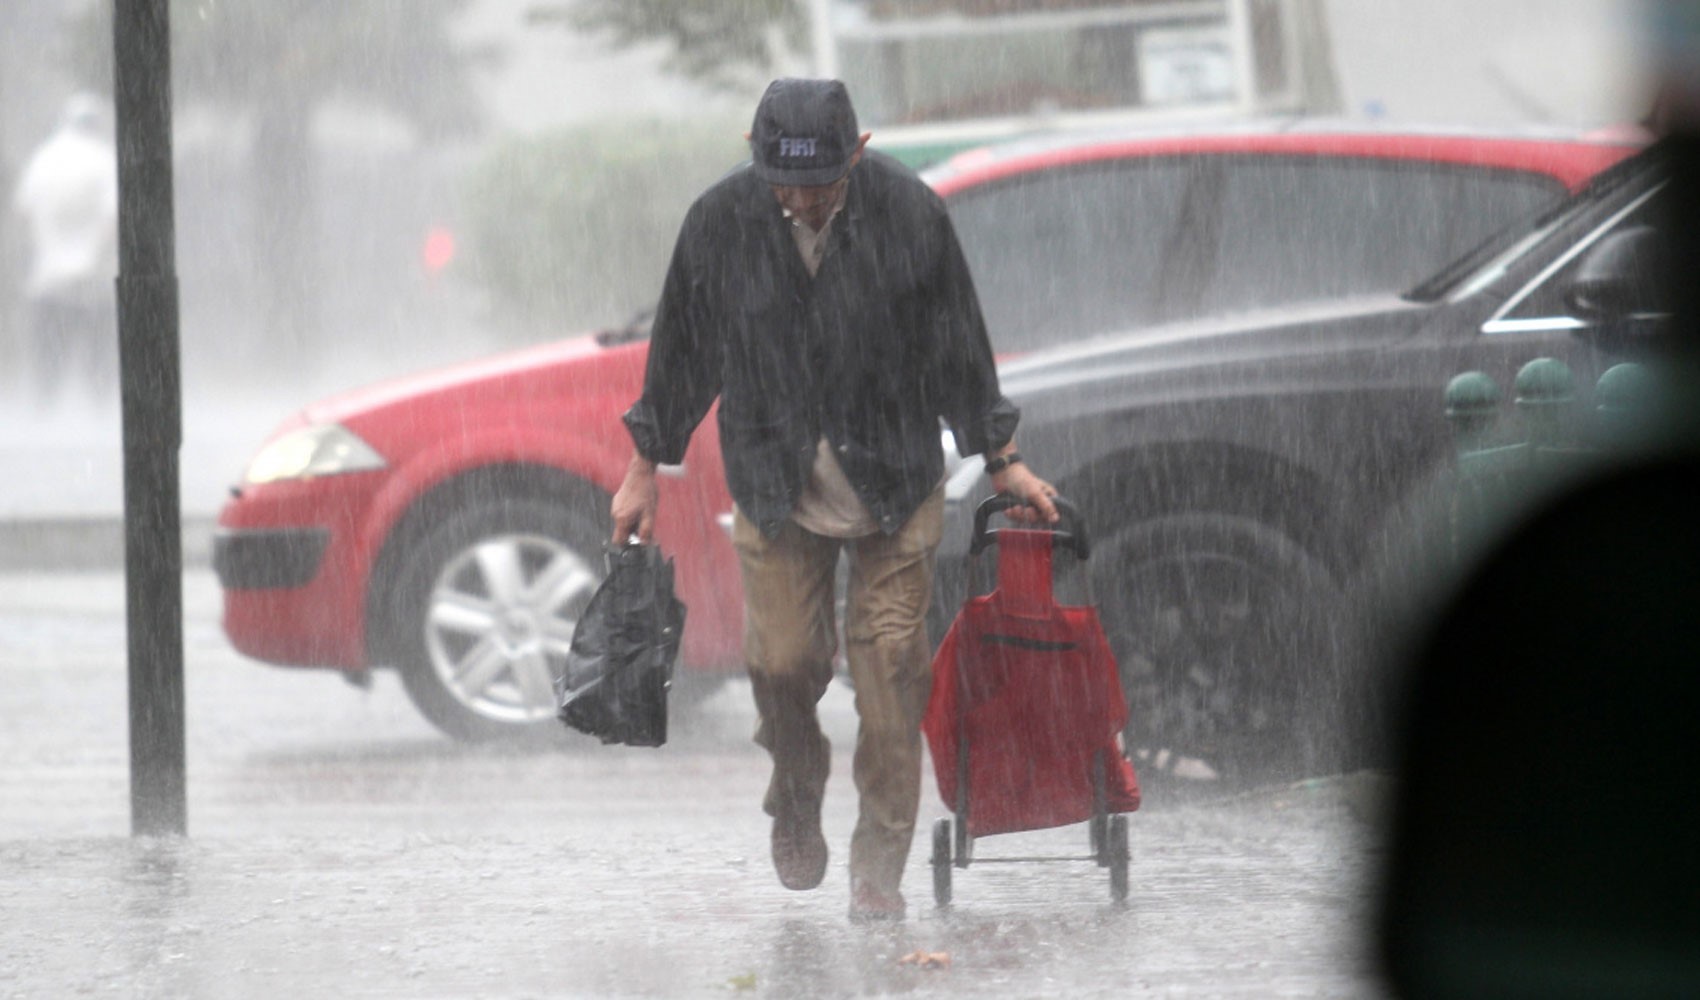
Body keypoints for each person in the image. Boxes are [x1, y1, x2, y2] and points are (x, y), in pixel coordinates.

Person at [611, 78, 1058, 921]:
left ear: (857, 153)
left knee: (891, 671)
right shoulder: (719, 224)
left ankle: (877, 870)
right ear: (756, 153)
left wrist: (1003, 458)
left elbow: (960, 345)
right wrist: (645, 466)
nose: (803, 201)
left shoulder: (910, 215)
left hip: (893, 476)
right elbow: (681, 352)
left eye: (821, 186)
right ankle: (796, 794)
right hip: (776, 482)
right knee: (782, 664)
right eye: (785, 184)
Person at [9, 94, 119, 407]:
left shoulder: (43, 158)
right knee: (98, 350)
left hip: (49, 275)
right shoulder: (103, 158)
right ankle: (100, 407)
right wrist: (98, 253)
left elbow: (23, 211)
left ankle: (45, 406)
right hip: (93, 276)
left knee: (50, 349)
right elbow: (112, 215)